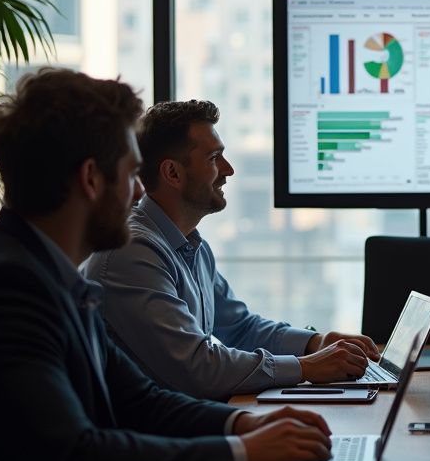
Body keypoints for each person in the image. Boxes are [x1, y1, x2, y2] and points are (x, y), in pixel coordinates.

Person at [0, 69, 333, 461]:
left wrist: (247, 423)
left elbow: (141, 401)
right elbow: (78, 457)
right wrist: (240, 453)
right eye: (132, 174)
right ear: (92, 178)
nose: (139, 192)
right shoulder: (7, 286)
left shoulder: (49, 275)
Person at [83, 100, 379, 401]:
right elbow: (199, 368)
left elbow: (240, 327)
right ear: (173, 173)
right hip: (154, 436)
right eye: (214, 158)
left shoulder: (192, 247)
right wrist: (305, 367)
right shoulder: (132, 251)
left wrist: (317, 342)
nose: (229, 170)